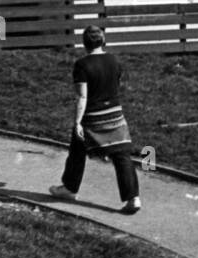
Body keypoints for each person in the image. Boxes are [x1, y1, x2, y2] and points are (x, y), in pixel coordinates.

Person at [49, 25, 141, 214]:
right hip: (115, 115)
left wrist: (77, 122)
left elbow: (82, 97)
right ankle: (133, 198)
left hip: (93, 118)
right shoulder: (115, 61)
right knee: (122, 155)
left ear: (84, 43)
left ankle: (69, 188)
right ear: (103, 41)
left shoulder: (82, 65)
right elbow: (117, 85)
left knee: (77, 149)